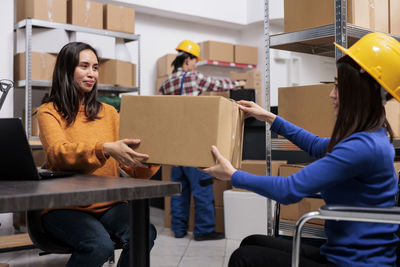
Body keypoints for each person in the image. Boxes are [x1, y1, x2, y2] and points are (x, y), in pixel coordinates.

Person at [203, 32, 400, 266]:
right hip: (341, 254)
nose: (331, 94)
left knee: (243, 258)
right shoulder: (371, 137)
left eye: (337, 86)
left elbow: (290, 189)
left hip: (355, 263)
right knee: (251, 242)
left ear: (359, 90)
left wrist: (233, 175)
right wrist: (268, 116)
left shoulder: (363, 147)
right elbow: (316, 144)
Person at [37, 42, 159, 267]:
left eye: (95, 67)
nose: (92, 73)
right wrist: (104, 148)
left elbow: (134, 171)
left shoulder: (110, 113)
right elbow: (58, 154)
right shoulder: (49, 111)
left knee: (143, 233)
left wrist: (155, 156)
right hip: (64, 207)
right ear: (66, 69)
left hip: (108, 205)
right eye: (84, 66)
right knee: (98, 245)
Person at [159, 40, 245, 241]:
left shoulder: (166, 83)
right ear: (188, 60)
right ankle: (204, 230)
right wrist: (239, 84)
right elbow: (218, 84)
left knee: (179, 188)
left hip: (174, 144)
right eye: (195, 61)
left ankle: (178, 229)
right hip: (194, 141)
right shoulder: (194, 77)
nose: (195, 65)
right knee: (202, 186)